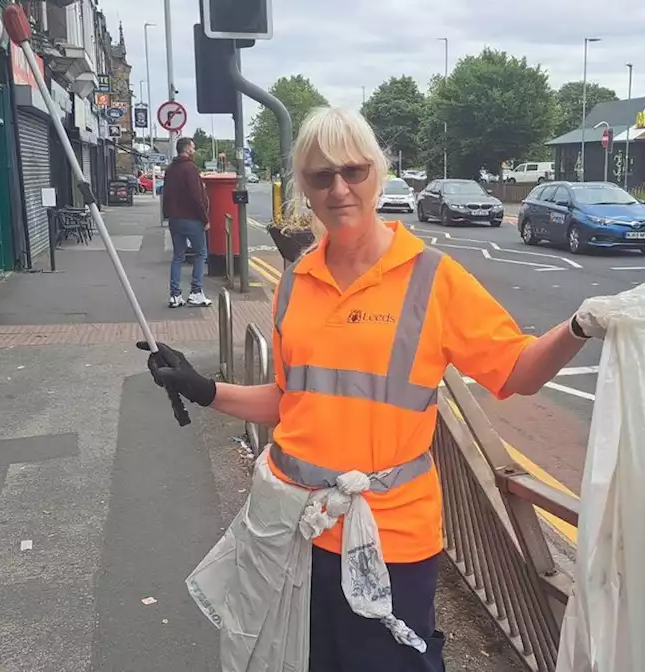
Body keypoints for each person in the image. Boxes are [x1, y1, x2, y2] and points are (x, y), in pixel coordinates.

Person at [138, 107, 611, 672]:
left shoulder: (432, 278)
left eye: (354, 171)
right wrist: (203, 388)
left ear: (378, 174)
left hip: (390, 537)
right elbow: (293, 403)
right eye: (321, 176)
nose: (339, 188)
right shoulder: (296, 281)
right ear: (304, 191)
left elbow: (517, 374)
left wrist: (578, 326)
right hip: (294, 528)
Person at [161, 137, 212, 307]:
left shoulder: (170, 169)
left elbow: (166, 195)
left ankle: (175, 296)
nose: (195, 150)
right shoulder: (190, 169)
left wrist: (167, 215)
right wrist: (205, 218)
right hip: (191, 219)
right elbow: (196, 197)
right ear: (188, 149)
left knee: (177, 256)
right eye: (193, 147)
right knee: (200, 254)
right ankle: (196, 292)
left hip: (174, 220)